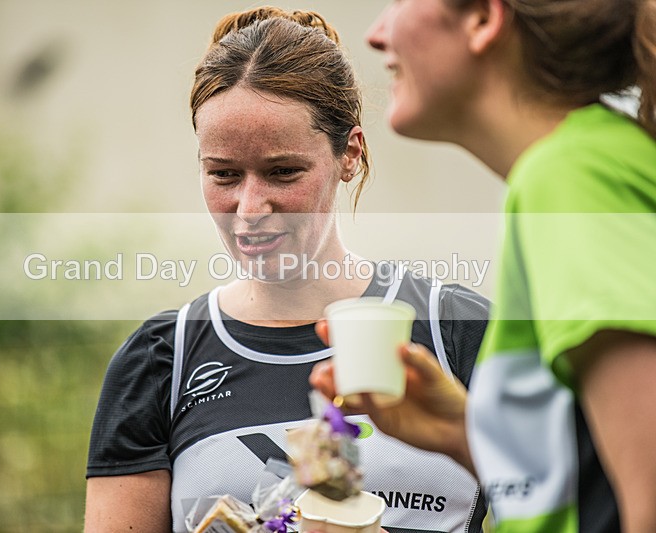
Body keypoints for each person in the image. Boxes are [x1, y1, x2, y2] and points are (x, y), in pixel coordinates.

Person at [84, 7, 491, 533]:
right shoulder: (162, 358)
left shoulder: (459, 331)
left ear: (350, 154)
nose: (250, 208)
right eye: (224, 175)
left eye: (283, 172)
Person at [310, 1, 656, 532]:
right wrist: (462, 431)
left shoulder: (570, 178)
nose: (377, 34)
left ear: (482, 19)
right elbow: (590, 479)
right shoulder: (587, 165)